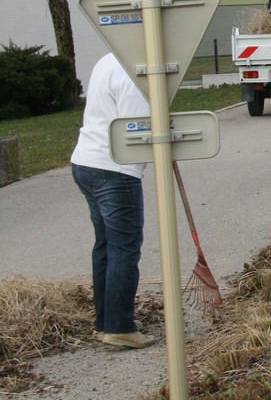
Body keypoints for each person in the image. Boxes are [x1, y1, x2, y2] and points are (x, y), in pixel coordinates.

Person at [71, 53, 156, 348]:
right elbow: (136, 130)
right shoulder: (135, 71)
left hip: (86, 162)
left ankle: (105, 323)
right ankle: (120, 328)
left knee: (106, 245)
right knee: (124, 248)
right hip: (115, 169)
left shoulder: (108, 58)